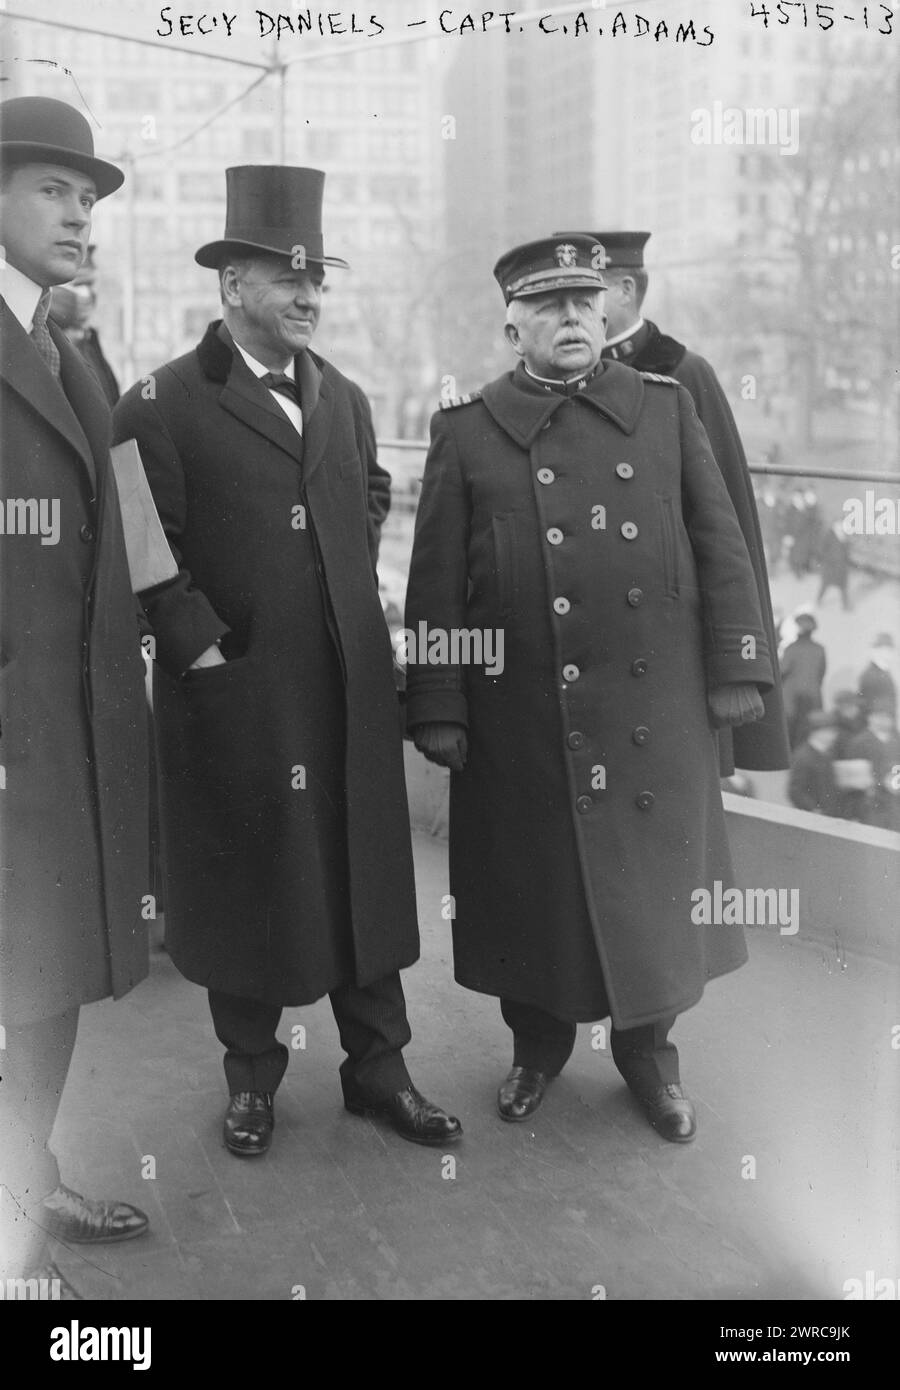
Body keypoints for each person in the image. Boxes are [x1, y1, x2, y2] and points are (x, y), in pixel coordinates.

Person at [113, 165, 460, 1158]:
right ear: (231, 286)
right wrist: (210, 659)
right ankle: (252, 1081)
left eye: (318, 279)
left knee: (361, 879)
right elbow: (143, 550)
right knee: (247, 879)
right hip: (236, 697)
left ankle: (379, 1071)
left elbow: (374, 489)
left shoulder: (342, 396)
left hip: (345, 693)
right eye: (286, 277)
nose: (309, 296)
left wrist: (345, 587)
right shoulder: (159, 402)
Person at [404, 235, 774, 1144]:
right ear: (511, 325)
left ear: (608, 312)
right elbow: (437, 584)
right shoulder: (468, 430)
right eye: (548, 306)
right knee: (537, 894)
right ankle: (537, 1050)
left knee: (653, 896)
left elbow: (720, 541)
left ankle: (651, 1058)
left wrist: (737, 669)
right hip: (523, 716)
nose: (571, 317)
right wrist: (441, 705)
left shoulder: (664, 407)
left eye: (584, 301)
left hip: (655, 714)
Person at [0, 96, 150, 1298]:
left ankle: (27, 1180)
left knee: (43, 990)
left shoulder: (65, 347)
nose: (82, 217)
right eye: (56, 189)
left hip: (73, 740)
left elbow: (131, 528)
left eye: (90, 200)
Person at [554, 228, 788, 778]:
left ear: (629, 290)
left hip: (668, 627)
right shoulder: (560, 376)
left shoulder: (683, 373)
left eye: (590, 295)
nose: (575, 313)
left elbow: (726, 528)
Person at [49, 244, 120, 407]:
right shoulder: (38, 339)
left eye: (89, 286)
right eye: (78, 286)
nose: (87, 295)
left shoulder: (89, 341)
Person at [845, 700, 900, 831]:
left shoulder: (895, 741)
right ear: (870, 717)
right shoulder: (859, 742)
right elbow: (852, 776)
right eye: (879, 716)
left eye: (888, 717)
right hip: (870, 803)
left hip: (895, 802)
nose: (884, 721)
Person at [780, 606, 826, 748]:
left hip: (792, 700)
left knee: (791, 735)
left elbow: (782, 671)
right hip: (812, 698)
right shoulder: (819, 649)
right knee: (808, 734)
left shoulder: (792, 648)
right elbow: (821, 673)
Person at [787, 712, 841, 816]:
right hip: (816, 816)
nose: (833, 735)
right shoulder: (803, 756)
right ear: (815, 732)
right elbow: (795, 791)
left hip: (830, 813)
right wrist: (813, 809)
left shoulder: (828, 753)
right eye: (829, 731)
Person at [858, 633, 898, 719]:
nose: (890, 654)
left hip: (886, 722)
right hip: (879, 723)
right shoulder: (870, 675)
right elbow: (869, 706)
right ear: (876, 651)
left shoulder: (884, 672)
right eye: (886, 650)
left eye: (890, 650)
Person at [817, 518, 852, 610]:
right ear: (834, 525)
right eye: (838, 525)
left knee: (843, 587)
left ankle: (845, 605)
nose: (840, 527)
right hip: (830, 565)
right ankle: (818, 600)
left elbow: (846, 551)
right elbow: (822, 549)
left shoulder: (844, 536)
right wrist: (827, 559)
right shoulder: (829, 535)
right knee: (825, 585)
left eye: (842, 525)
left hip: (841, 567)